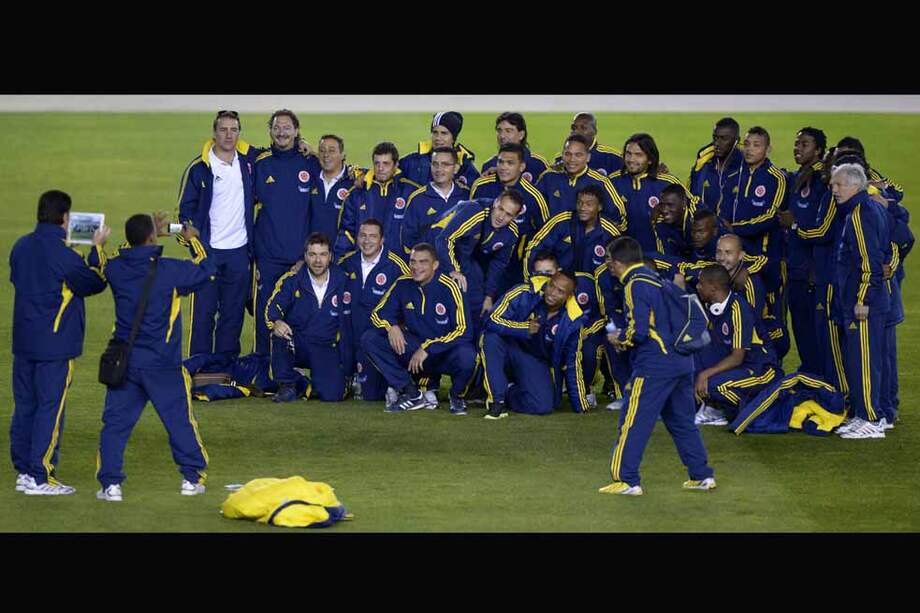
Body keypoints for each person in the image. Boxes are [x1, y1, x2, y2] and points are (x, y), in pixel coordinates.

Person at [94, 215, 215, 502]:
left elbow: (110, 257)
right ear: (152, 238)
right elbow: (208, 268)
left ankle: (111, 486)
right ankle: (191, 478)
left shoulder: (117, 268)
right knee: (178, 422)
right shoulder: (171, 271)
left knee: (115, 425)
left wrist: (137, 240)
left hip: (127, 363)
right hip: (163, 364)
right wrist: (192, 238)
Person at [9, 190, 109, 495]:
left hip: (24, 343)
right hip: (54, 347)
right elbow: (95, 282)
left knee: (25, 407)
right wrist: (97, 249)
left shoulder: (21, 246)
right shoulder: (63, 254)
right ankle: (41, 477)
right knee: (49, 409)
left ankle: (25, 472)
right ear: (65, 218)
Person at [598, 236, 715, 496]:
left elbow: (639, 331)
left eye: (609, 263)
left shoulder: (633, 284)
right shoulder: (658, 279)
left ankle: (626, 479)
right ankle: (702, 475)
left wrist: (620, 339)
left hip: (655, 365)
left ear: (618, 264)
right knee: (682, 421)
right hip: (683, 362)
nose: (609, 268)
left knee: (633, 420)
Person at [178, 110, 256, 361]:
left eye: (234, 130)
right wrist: (194, 245)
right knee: (203, 314)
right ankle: (198, 367)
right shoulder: (199, 167)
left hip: (239, 252)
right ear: (214, 132)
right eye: (223, 129)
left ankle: (225, 369)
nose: (228, 135)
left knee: (233, 316)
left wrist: (303, 146)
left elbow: (280, 152)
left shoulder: (249, 162)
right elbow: (184, 213)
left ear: (239, 133)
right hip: (208, 253)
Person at [362, 243, 476, 415]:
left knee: (468, 355)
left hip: (444, 353)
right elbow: (377, 314)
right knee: (370, 339)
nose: (416, 267)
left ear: (435, 265)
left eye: (423, 262)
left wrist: (428, 348)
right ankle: (411, 393)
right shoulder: (403, 283)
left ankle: (456, 396)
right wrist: (391, 327)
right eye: (413, 262)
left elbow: (464, 330)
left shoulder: (450, 286)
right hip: (413, 350)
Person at [251, 109, 324, 356]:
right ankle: (263, 366)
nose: (281, 132)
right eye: (277, 127)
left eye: (286, 127)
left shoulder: (311, 163)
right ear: (270, 131)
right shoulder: (260, 163)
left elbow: (339, 171)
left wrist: (308, 255)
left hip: (300, 258)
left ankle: (292, 369)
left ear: (296, 130)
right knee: (265, 315)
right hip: (268, 255)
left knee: (299, 314)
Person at [830, 164, 892, 439]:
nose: (834, 190)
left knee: (865, 361)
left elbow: (870, 262)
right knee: (858, 360)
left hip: (865, 304)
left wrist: (862, 298)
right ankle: (861, 413)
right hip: (859, 301)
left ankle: (871, 418)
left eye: (838, 185)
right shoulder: (865, 209)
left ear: (855, 186)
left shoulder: (860, 213)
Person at [481, 271, 590, 418]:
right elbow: (490, 320)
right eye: (552, 286)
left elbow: (572, 363)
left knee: (542, 406)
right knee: (491, 338)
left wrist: (580, 405)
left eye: (560, 291)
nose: (552, 293)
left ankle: (510, 390)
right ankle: (497, 401)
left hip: (535, 360)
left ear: (569, 296)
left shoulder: (573, 321)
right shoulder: (524, 291)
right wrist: (523, 328)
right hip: (508, 348)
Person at [266, 233, 353, 403]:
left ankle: (306, 383)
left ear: (330, 257)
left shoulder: (344, 281)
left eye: (322, 254)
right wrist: (276, 321)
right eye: (312, 255)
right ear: (305, 256)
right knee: (279, 335)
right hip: (298, 342)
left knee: (332, 396)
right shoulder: (292, 280)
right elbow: (273, 306)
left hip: (326, 346)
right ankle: (287, 385)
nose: (317, 260)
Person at [693, 265, 779, 426]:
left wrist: (705, 374)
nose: (697, 287)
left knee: (713, 387)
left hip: (760, 367)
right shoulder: (711, 306)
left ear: (713, 288)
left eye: (701, 284)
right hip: (736, 364)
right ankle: (711, 405)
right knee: (691, 363)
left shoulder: (739, 309)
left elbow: (738, 357)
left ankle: (730, 409)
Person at [719, 126, 788, 326]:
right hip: (735, 259)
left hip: (768, 260)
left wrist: (734, 229)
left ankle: (772, 357)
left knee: (772, 320)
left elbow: (770, 217)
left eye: (756, 145)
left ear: (768, 149)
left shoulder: (777, 178)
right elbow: (721, 217)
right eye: (746, 144)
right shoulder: (733, 178)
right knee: (738, 316)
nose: (749, 149)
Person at [337, 218, 410, 401]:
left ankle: (386, 381)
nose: (367, 241)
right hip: (349, 335)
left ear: (382, 240)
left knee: (371, 396)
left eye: (372, 236)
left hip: (377, 339)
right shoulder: (346, 263)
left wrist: (397, 326)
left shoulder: (397, 266)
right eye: (362, 235)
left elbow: (409, 302)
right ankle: (349, 375)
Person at [432, 193, 522, 332]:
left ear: (515, 217)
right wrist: (453, 270)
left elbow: (498, 264)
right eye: (500, 209)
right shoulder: (475, 211)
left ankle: (470, 338)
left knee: (478, 299)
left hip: (463, 253)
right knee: (450, 289)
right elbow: (444, 239)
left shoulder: (511, 233)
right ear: (495, 203)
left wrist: (489, 296)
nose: (501, 217)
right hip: (434, 243)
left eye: (508, 214)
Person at [470, 142, 551, 293]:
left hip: (514, 268)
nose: (503, 167)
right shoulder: (481, 186)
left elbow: (545, 234)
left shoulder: (534, 197)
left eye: (510, 163)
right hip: (478, 263)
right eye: (500, 162)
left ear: (521, 167)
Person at [781, 127, 829, 374]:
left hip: (812, 273)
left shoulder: (821, 181)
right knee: (801, 330)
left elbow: (823, 230)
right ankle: (811, 378)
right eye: (797, 143)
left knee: (815, 334)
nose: (798, 148)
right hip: (795, 269)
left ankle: (823, 385)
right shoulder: (800, 176)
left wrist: (795, 225)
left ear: (819, 150)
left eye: (805, 144)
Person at [608, 133, 697, 254]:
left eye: (638, 155)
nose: (631, 159)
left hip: (665, 258)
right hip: (626, 259)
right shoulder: (612, 182)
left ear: (650, 159)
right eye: (628, 154)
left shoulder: (667, 182)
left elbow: (695, 210)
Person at [334, 141, 421, 259]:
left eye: (386, 164)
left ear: (396, 165)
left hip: (400, 266)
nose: (380, 168)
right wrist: (342, 261)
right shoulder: (357, 193)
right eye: (377, 163)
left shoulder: (410, 192)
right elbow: (346, 232)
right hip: (364, 264)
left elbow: (419, 232)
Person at [523, 184, 621, 277]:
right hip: (558, 284)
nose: (582, 208)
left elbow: (618, 266)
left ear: (600, 207)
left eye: (589, 204)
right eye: (579, 203)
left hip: (594, 287)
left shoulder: (610, 232)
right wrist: (533, 281)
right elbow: (533, 248)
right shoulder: (561, 221)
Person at [537, 133, 626, 226]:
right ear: (562, 155)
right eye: (568, 154)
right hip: (553, 238)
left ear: (588, 157)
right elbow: (535, 209)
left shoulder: (601, 182)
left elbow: (618, 218)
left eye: (578, 155)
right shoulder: (548, 178)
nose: (572, 159)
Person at [400, 146, 470, 255]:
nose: (439, 169)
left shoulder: (467, 197)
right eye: (435, 164)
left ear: (456, 168)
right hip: (429, 267)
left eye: (445, 164)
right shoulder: (417, 199)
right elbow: (408, 240)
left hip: (460, 266)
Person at [399, 112, 480, 188]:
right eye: (435, 132)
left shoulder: (465, 167)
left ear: (453, 138)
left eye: (444, 133)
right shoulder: (411, 161)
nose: (438, 138)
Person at [688, 117, 744, 211]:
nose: (717, 143)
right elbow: (691, 194)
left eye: (723, 139)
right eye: (715, 138)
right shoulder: (704, 163)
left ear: (736, 141)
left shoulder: (744, 166)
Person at [309, 134, 355, 246]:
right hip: (312, 255)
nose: (326, 155)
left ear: (343, 155)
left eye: (332, 150)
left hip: (341, 256)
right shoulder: (310, 178)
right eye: (322, 150)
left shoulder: (354, 183)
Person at [480, 112, 551, 183]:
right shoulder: (489, 165)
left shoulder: (539, 164)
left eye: (508, 131)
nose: (502, 136)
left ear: (521, 135)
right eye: (499, 131)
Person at [554, 112, 624, 176]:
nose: (576, 131)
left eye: (583, 128)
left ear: (594, 131)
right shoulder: (561, 159)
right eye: (573, 128)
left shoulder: (613, 158)